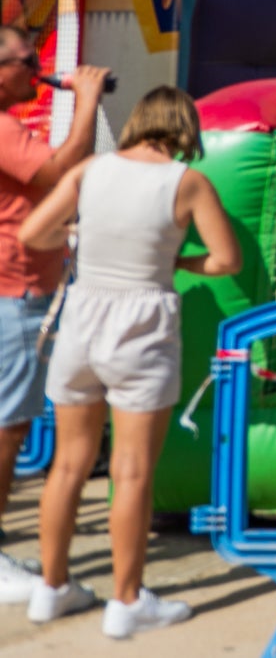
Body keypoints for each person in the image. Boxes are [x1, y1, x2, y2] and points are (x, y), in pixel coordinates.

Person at [26, 85, 239, 634]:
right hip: (142, 326)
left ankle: (51, 589)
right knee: (133, 469)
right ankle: (126, 601)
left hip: (83, 318)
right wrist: (178, 260)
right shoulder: (186, 182)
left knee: (69, 464)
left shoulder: (91, 171)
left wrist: (80, 234)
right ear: (184, 129)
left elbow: (34, 232)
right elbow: (225, 259)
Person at [0, 46, 105, 600]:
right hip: (13, 293)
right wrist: (86, 101)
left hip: (19, 292)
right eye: (23, 56)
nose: (35, 67)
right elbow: (63, 172)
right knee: (8, 425)